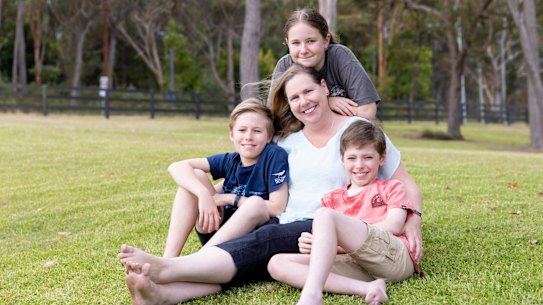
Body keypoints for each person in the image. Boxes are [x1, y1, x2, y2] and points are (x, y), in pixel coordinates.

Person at [117, 64, 422, 305]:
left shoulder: (357, 132)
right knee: (245, 241)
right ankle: (166, 289)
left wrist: (413, 221)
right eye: (295, 98)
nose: (304, 102)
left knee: (260, 244)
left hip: (311, 228)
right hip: (275, 219)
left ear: (325, 88)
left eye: (309, 91)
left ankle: (168, 272)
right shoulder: (284, 140)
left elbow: (402, 182)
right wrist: (208, 194)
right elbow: (250, 173)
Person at [268, 120, 420, 305]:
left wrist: (338, 243)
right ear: (342, 159)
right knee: (277, 263)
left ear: (381, 158)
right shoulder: (331, 200)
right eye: (352, 158)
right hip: (356, 264)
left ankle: (312, 295)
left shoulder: (391, 187)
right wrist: (313, 244)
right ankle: (367, 288)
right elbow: (326, 246)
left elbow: (394, 225)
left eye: (368, 157)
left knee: (325, 215)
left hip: (392, 258)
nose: (359, 165)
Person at [162, 98, 289, 258]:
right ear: (231, 134)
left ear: (269, 136)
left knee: (255, 204)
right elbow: (176, 166)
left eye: (257, 131)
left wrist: (229, 198)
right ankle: (168, 258)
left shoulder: (273, 155)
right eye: (242, 130)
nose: (248, 137)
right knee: (196, 176)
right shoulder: (231, 159)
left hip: (251, 236)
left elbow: (277, 208)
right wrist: (203, 194)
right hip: (218, 230)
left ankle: (195, 261)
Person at [269, 8, 379, 119]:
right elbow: (274, 117)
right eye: (296, 43)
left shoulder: (338, 56)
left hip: (348, 133)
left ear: (326, 40)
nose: (303, 50)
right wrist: (325, 102)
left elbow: (367, 111)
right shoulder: (284, 67)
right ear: (288, 43)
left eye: (311, 41)